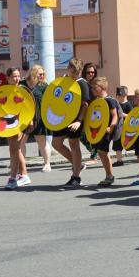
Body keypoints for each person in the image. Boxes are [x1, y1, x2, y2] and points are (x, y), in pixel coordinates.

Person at [51, 58, 91, 188]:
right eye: (73, 71)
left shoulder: (82, 83)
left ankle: (76, 177)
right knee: (56, 143)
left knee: (74, 144)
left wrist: (79, 121)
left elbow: (85, 104)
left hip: (76, 119)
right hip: (62, 118)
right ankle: (78, 165)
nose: (74, 74)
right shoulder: (64, 81)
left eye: (77, 72)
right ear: (68, 69)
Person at [3, 67, 32, 189]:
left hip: (20, 123)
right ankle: (24, 175)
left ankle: (12, 178)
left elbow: (29, 106)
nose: (17, 79)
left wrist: (30, 121)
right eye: (14, 76)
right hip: (7, 123)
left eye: (18, 76)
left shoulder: (22, 89)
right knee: (15, 149)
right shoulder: (3, 91)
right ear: (8, 78)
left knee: (14, 150)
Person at [90, 76, 121, 187]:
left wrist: (111, 127)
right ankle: (109, 175)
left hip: (107, 130)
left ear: (102, 87)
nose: (92, 89)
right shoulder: (97, 101)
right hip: (99, 130)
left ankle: (109, 176)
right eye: (92, 87)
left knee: (102, 152)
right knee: (101, 152)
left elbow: (115, 116)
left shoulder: (110, 100)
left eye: (95, 87)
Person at [23, 64, 52, 172]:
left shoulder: (44, 86)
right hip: (25, 117)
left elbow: (49, 101)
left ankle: (47, 164)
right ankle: (21, 165)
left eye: (43, 74)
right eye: (40, 74)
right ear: (33, 73)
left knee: (41, 141)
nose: (42, 76)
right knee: (21, 142)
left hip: (38, 118)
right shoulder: (23, 84)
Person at [113, 85, 132, 167]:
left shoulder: (128, 105)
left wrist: (123, 114)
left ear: (125, 95)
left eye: (120, 95)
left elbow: (132, 117)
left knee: (130, 143)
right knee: (117, 145)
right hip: (118, 128)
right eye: (118, 96)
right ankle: (119, 160)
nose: (119, 97)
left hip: (126, 128)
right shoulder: (117, 104)